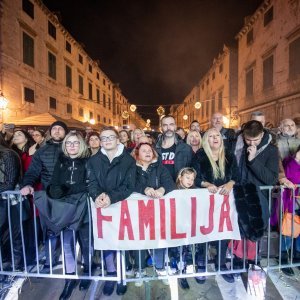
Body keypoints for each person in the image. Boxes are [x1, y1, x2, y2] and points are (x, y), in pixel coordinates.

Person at [87, 126, 136, 296]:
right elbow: (91, 181)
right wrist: (97, 195)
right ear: (100, 141)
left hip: (120, 204)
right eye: (104, 138)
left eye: (110, 137)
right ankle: (111, 273)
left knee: (121, 241)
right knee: (106, 242)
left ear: (117, 139)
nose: (107, 140)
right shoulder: (93, 160)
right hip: (101, 206)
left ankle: (122, 276)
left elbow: (129, 185)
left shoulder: (128, 160)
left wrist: (111, 197)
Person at [47, 131, 91, 299]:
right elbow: (54, 181)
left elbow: (88, 184)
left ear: (81, 145)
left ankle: (87, 272)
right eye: (69, 143)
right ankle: (70, 278)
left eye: (75, 143)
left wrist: (69, 189)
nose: (72, 146)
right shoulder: (61, 161)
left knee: (86, 241)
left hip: (83, 206)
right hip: (65, 207)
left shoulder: (88, 161)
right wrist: (55, 190)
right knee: (67, 244)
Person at [192, 128, 239, 284]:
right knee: (203, 232)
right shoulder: (199, 155)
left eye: (217, 135)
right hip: (205, 201)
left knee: (223, 232)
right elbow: (194, 176)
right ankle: (201, 264)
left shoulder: (229, 155)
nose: (215, 138)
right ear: (206, 140)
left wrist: (231, 183)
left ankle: (221, 263)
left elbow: (237, 175)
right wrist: (206, 184)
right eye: (210, 136)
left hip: (225, 202)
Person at [20, 121, 68, 270]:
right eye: (54, 128)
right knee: (50, 230)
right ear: (50, 132)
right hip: (49, 197)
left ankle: (70, 264)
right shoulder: (42, 150)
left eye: (60, 129)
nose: (57, 131)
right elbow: (33, 171)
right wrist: (27, 184)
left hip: (69, 197)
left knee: (69, 232)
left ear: (65, 132)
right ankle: (49, 260)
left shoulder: (72, 146)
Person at [233, 120, 279, 268]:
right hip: (238, 195)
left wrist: (253, 161)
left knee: (254, 232)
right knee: (238, 230)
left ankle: (253, 261)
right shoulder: (237, 145)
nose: (251, 143)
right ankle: (238, 260)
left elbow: (271, 179)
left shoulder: (271, 150)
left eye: (256, 140)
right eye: (248, 139)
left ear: (262, 134)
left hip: (258, 199)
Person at [132, 142, 175, 286]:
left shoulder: (160, 168)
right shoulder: (132, 169)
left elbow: (170, 183)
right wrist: (144, 189)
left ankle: (160, 267)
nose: (148, 152)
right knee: (138, 240)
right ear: (137, 154)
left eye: (150, 150)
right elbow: (128, 184)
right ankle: (140, 269)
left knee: (159, 239)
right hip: (137, 212)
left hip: (157, 212)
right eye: (143, 150)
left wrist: (162, 190)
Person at [0, 134, 25, 271]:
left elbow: (9, 183)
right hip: (3, 200)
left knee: (14, 233)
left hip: (12, 201)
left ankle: (17, 264)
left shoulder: (8, 154)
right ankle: (5, 261)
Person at [176, 167, 197, 289]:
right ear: (180, 177)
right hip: (176, 226)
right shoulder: (173, 190)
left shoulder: (195, 191)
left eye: (192, 178)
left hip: (188, 227)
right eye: (187, 177)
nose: (190, 181)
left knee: (185, 250)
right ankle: (176, 268)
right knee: (177, 250)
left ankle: (182, 272)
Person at [156, 115, 193, 182]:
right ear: (161, 128)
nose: (168, 128)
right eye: (165, 125)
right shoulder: (154, 149)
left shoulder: (186, 148)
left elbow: (191, 170)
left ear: (175, 126)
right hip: (159, 188)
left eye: (171, 124)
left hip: (179, 188)